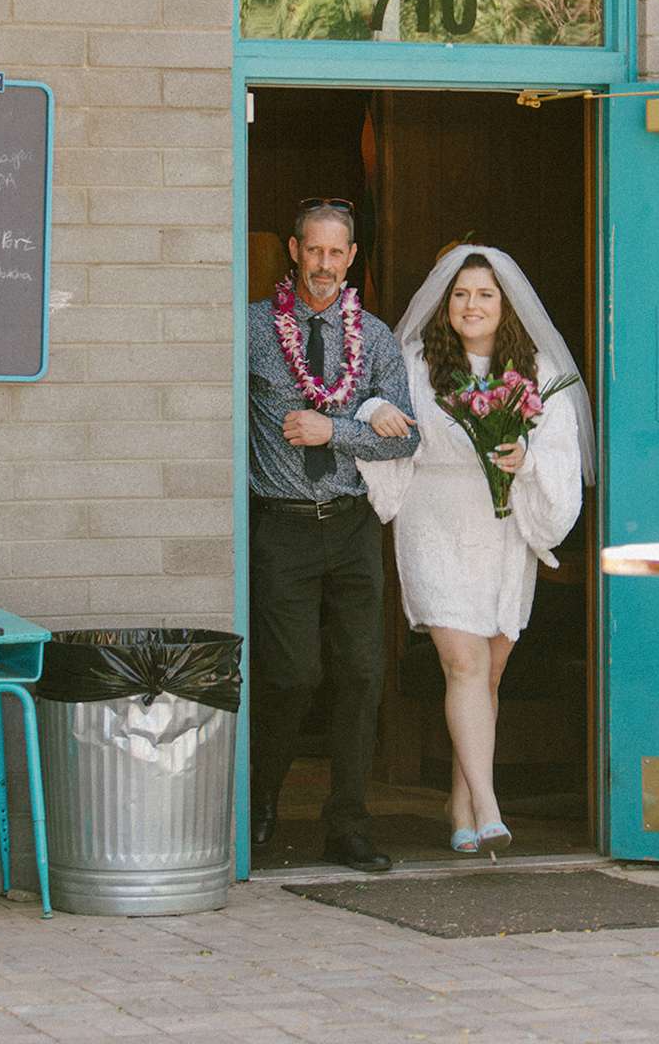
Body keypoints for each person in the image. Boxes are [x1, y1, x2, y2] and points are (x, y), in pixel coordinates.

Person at [356, 244, 595, 856]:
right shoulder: (416, 362)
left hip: (504, 525)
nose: (471, 305)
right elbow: (371, 402)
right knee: (462, 663)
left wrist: (527, 458)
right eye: (460, 294)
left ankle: (459, 803)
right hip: (434, 518)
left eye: (485, 294)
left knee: (488, 672)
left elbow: (560, 446)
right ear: (445, 303)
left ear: (505, 304)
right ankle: (489, 805)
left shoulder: (536, 368)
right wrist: (377, 410)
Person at [248, 197, 419, 874]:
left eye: (336, 252)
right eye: (313, 250)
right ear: (294, 251)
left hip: (351, 526)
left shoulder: (374, 339)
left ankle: (347, 824)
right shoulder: (253, 328)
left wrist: (335, 432)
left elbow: (406, 437)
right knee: (291, 675)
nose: (323, 264)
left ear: (351, 258)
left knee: (361, 674)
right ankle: (260, 795)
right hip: (281, 525)